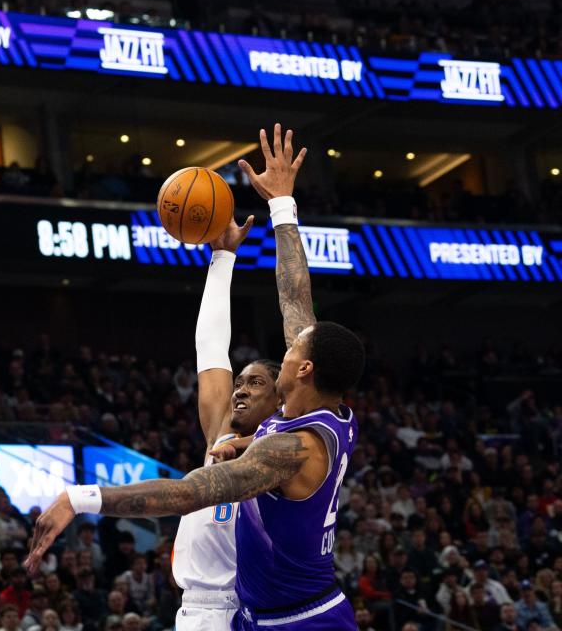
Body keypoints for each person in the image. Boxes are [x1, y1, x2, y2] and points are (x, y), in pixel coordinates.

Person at [26, 125, 363, 631]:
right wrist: (282, 206)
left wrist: (80, 497)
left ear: (303, 370)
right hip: (258, 615)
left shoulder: (290, 450)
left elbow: (190, 493)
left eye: (292, 349)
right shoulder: (302, 415)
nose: (287, 343)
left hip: (298, 620)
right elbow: (295, 299)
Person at [172, 204, 280, 630]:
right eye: (240, 381)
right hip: (199, 609)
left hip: (254, 607)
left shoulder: (287, 448)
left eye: (255, 384)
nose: (240, 389)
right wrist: (222, 260)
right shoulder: (220, 431)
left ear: (280, 402)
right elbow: (211, 348)